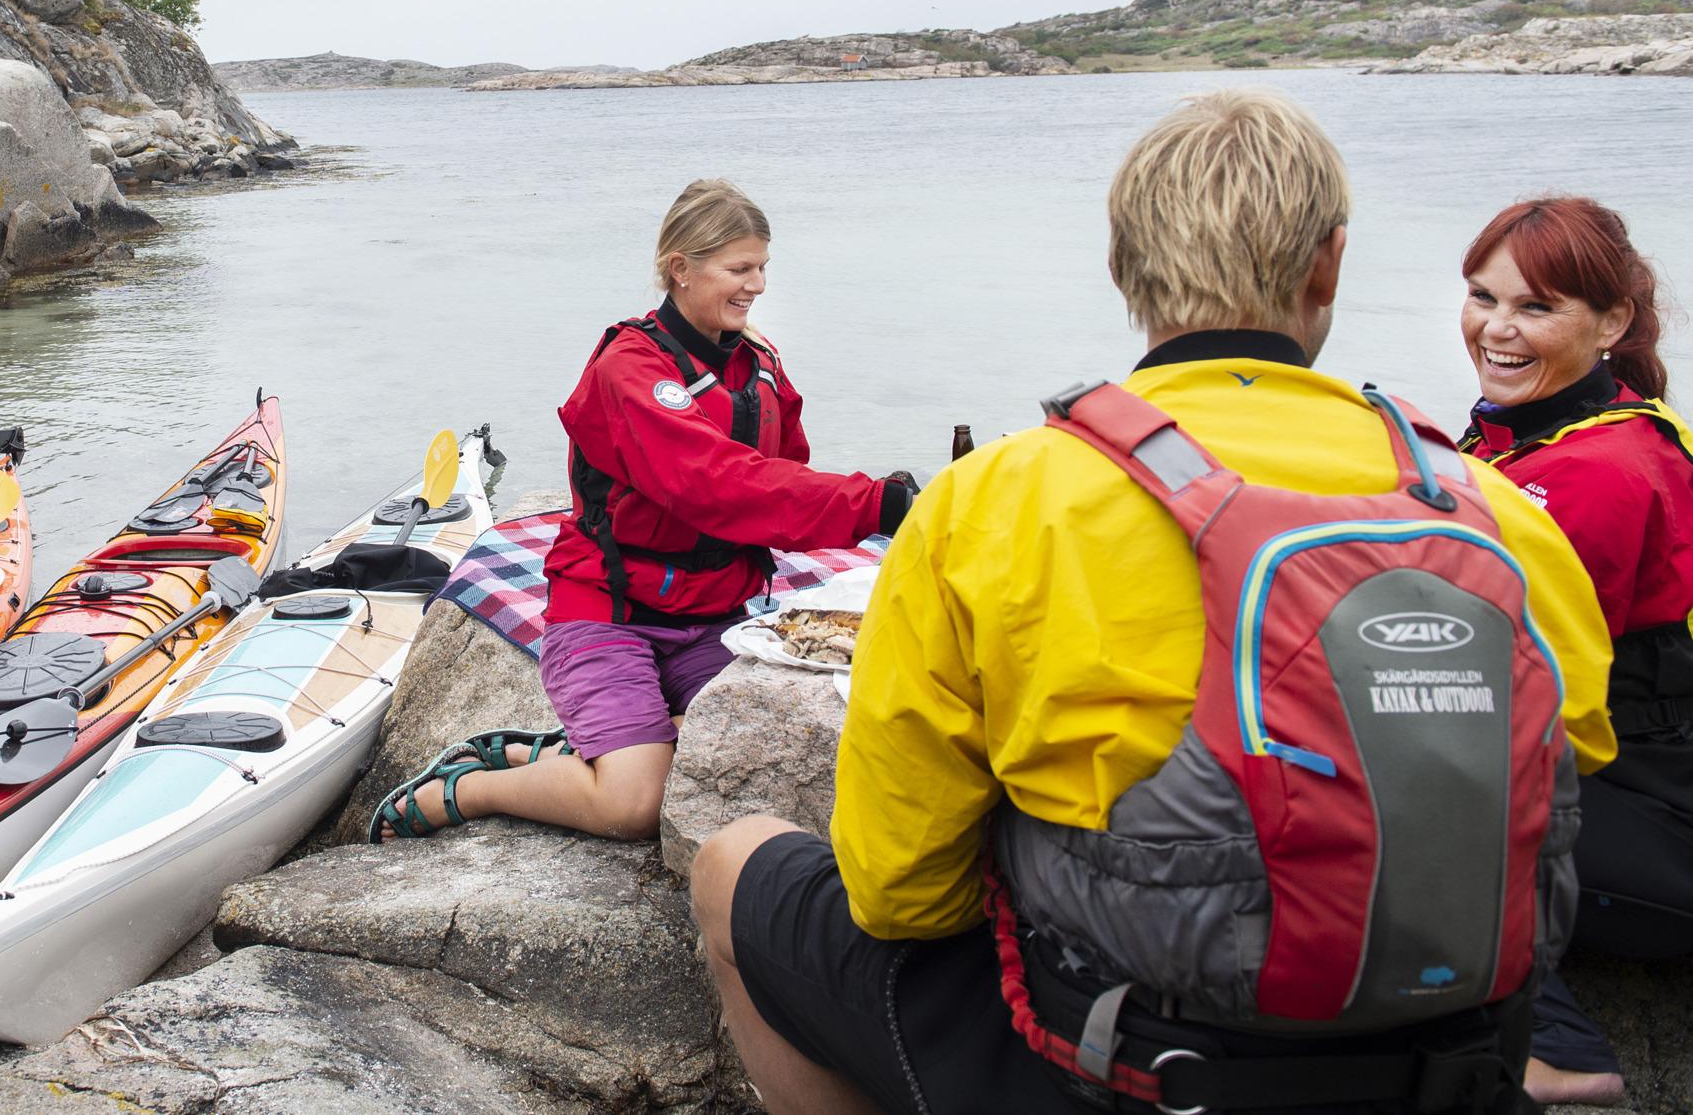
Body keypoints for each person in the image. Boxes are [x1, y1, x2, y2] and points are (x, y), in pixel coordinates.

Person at [692, 93, 1619, 1115]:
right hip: (1447, 1061)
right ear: (1328, 263)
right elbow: (1565, 772)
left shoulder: (999, 496)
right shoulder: (1484, 505)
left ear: (1121, 267)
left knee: (734, 865)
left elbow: (899, 888)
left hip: (1125, 1066)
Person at [371, 178, 915, 843]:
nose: (759, 284)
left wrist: (878, 507)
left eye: (764, 266)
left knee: (786, 734)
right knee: (633, 802)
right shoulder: (629, 367)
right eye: (740, 268)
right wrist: (875, 503)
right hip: (610, 614)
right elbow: (714, 485)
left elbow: (784, 476)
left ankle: (561, 752)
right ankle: (471, 787)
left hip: (715, 614)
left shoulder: (761, 363)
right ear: (680, 269)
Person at [1457, 197, 1693, 1108]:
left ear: (1614, 322)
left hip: (1654, 821)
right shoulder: (1564, 428)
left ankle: (1550, 1042)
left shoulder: (1597, 474)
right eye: (1483, 295)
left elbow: (1513, 698)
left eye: (1536, 307)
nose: (1496, 328)